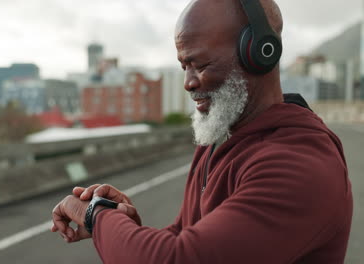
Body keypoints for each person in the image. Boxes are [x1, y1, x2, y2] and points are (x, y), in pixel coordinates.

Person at [51, 0, 353, 263]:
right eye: (184, 66)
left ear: (260, 52)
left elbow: (179, 258)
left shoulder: (299, 166)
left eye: (200, 64)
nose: (188, 82)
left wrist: (97, 215)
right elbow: (182, 235)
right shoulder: (217, 140)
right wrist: (127, 225)